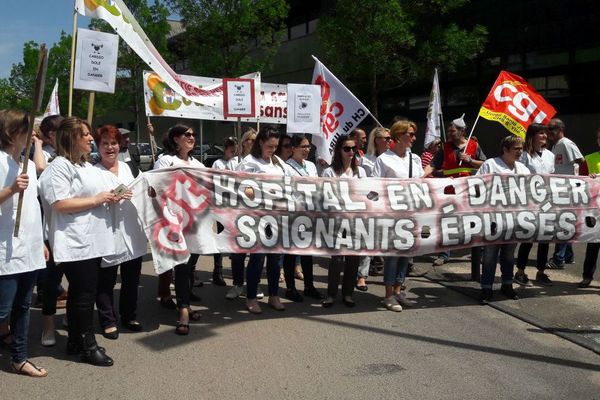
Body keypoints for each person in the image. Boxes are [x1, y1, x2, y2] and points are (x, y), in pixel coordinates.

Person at [39, 116, 117, 366]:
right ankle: (88, 345)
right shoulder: (59, 166)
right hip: (75, 241)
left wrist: (115, 194)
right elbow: (59, 203)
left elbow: (100, 190)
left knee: (80, 294)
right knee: (84, 295)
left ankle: (74, 340)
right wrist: (97, 200)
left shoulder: (85, 166)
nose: (90, 138)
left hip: (91, 240)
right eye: (85, 134)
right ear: (71, 138)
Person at [0, 109, 48, 377]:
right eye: (27, 129)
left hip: (28, 251)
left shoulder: (23, 163)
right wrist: (10, 190)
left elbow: (31, 210)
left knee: (22, 307)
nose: (32, 135)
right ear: (11, 132)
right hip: (5, 251)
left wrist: (39, 241)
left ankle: (19, 358)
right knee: (2, 310)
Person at [93, 125, 147, 339]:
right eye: (104, 143)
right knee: (105, 281)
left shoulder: (130, 168)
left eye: (113, 143)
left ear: (120, 145)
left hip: (131, 231)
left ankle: (129, 315)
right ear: (98, 147)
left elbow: (146, 190)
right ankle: (108, 320)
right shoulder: (92, 171)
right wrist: (106, 197)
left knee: (131, 279)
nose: (110, 147)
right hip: (106, 231)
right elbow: (88, 199)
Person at [153, 124, 205, 335]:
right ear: (175, 138)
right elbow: (157, 188)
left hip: (194, 222)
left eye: (193, 134)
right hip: (173, 220)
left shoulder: (198, 163)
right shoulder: (166, 160)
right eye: (187, 134)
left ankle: (185, 303)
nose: (192, 137)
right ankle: (183, 309)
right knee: (182, 266)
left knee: (189, 265)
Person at [373, 120, 424, 312]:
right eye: (410, 134)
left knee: (406, 256)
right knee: (393, 256)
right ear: (398, 136)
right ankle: (387, 295)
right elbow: (375, 187)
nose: (413, 138)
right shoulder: (384, 159)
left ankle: (398, 290)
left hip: (411, 213)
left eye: (414, 134)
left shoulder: (415, 159)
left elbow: (420, 183)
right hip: (392, 214)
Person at [236, 126, 288, 313]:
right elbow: (241, 188)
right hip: (257, 218)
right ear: (260, 143)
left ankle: (273, 295)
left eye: (276, 146)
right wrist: (264, 192)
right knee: (257, 259)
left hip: (277, 218)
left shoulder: (278, 162)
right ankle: (251, 298)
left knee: (276, 260)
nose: (273, 149)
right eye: (270, 146)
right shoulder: (249, 162)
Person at [423, 114, 486, 267]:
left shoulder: (474, 145)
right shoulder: (445, 147)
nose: (450, 133)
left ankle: (479, 252)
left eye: (453, 131)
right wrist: (421, 175)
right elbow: (433, 164)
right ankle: (444, 254)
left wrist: (470, 160)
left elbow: (485, 164)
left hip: (469, 189)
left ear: (462, 131)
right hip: (450, 190)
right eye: (449, 131)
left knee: (474, 221)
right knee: (447, 221)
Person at [477, 135, 530, 304]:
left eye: (521, 148)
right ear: (505, 149)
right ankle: (486, 287)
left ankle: (507, 284)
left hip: (514, 219)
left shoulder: (522, 168)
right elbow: (476, 186)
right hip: (493, 218)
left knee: (508, 255)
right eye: (516, 149)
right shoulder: (490, 165)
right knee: (490, 255)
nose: (520, 152)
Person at [321, 134, 367, 308]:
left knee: (353, 258)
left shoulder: (360, 172)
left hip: (356, 221)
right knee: (337, 259)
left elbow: (367, 194)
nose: (350, 152)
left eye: (353, 149)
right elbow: (324, 196)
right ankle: (331, 294)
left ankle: (348, 294)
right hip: (337, 221)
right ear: (339, 151)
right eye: (346, 148)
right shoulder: (330, 172)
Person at [283, 134, 324, 302]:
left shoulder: (312, 166)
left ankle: (309, 286)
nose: (307, 150)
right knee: (291, 253)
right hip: (293, 215)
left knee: (308, 252)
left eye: (309, 147)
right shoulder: (286, 167)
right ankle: (290, 288)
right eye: (303, 147)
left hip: (310, 214)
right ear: (293, 148)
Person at [515, 124, 554, 287]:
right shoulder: (524, 156)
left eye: (545, 133)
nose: (544, 136)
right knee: (528, 237)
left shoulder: (550, 155)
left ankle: (541, 271)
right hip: (529, 201)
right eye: (540, 133)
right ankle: (520, 271)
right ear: (532, 136)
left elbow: (553, 176)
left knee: (545, 237)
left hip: (546, 201)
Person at [356, 127, 393, 290]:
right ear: (376, 140)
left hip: (389, 205)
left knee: (389, 241)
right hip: (371, 204)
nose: (389, 141)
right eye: (386, 138)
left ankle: (391, 279)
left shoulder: (393, 159)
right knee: (367, 240)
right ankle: (361, 276)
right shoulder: (366, 160)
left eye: (390, 138)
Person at [546, 118, 584, 269]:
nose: (548, 133)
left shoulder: (566, 143)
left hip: (567, 190)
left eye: (551, 129)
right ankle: (568, 255)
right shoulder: (555, 146)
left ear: (560, 129)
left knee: (563, 224)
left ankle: (558, 259)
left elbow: (581, 161)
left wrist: (576, 182)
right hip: (558, 190)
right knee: (564, 223)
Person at [210, 136, 239, 287]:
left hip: (235, 206)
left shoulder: (237, 162)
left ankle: (236, 271)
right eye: (230, 148)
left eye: (234, 148)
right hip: (222, 206)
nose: (232, 151)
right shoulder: (218, 163)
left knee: (235, 239)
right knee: (221, 238)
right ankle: (218, 271)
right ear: (225, 149)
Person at [577, 128, 600, 288]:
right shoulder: (589, 159)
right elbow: (578, 183)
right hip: (595, 211)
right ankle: (587, 276)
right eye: (599, 137)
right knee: (593, 245)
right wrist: (587, 179)